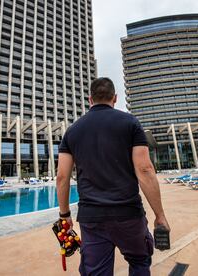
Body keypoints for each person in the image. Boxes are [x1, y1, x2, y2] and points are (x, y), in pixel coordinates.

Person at [56, 77, 170, 276]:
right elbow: (145, 170)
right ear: (115, 98)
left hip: (92, 218)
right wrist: (159, 215)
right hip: (128, 214)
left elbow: (62, 177)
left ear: (90, 99)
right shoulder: (131, 123)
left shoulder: (72, 131)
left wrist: (65, 216)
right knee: (140, 262)